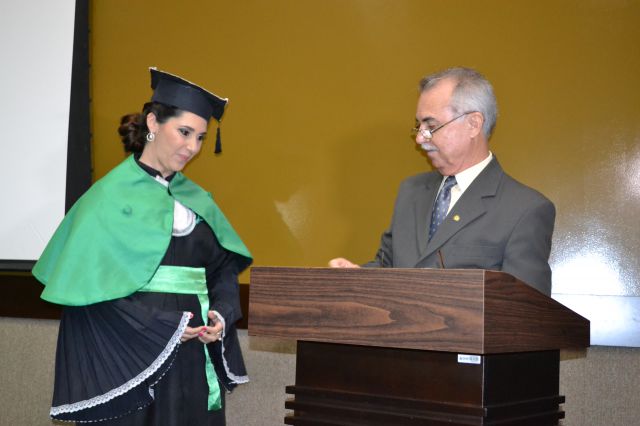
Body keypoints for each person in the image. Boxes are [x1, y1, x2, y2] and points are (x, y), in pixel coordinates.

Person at [33, 67, 252, 425]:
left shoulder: (198, 201)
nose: (192, 147)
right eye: (184, 132)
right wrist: (164, 326)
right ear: (153, 123)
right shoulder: (105, 199)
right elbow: (90, 296)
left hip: (194, 354)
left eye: (200, 137)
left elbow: (222, 269)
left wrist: (222, 313)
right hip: (129, 356)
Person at [329, 67, 555, 296]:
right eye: (419, 126)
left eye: (431, 126)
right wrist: (357, 276)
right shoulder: (411, 191)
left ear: (473, 124)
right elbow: (387, 266)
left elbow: (527, 309)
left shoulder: (525, 209)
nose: (420, 138)